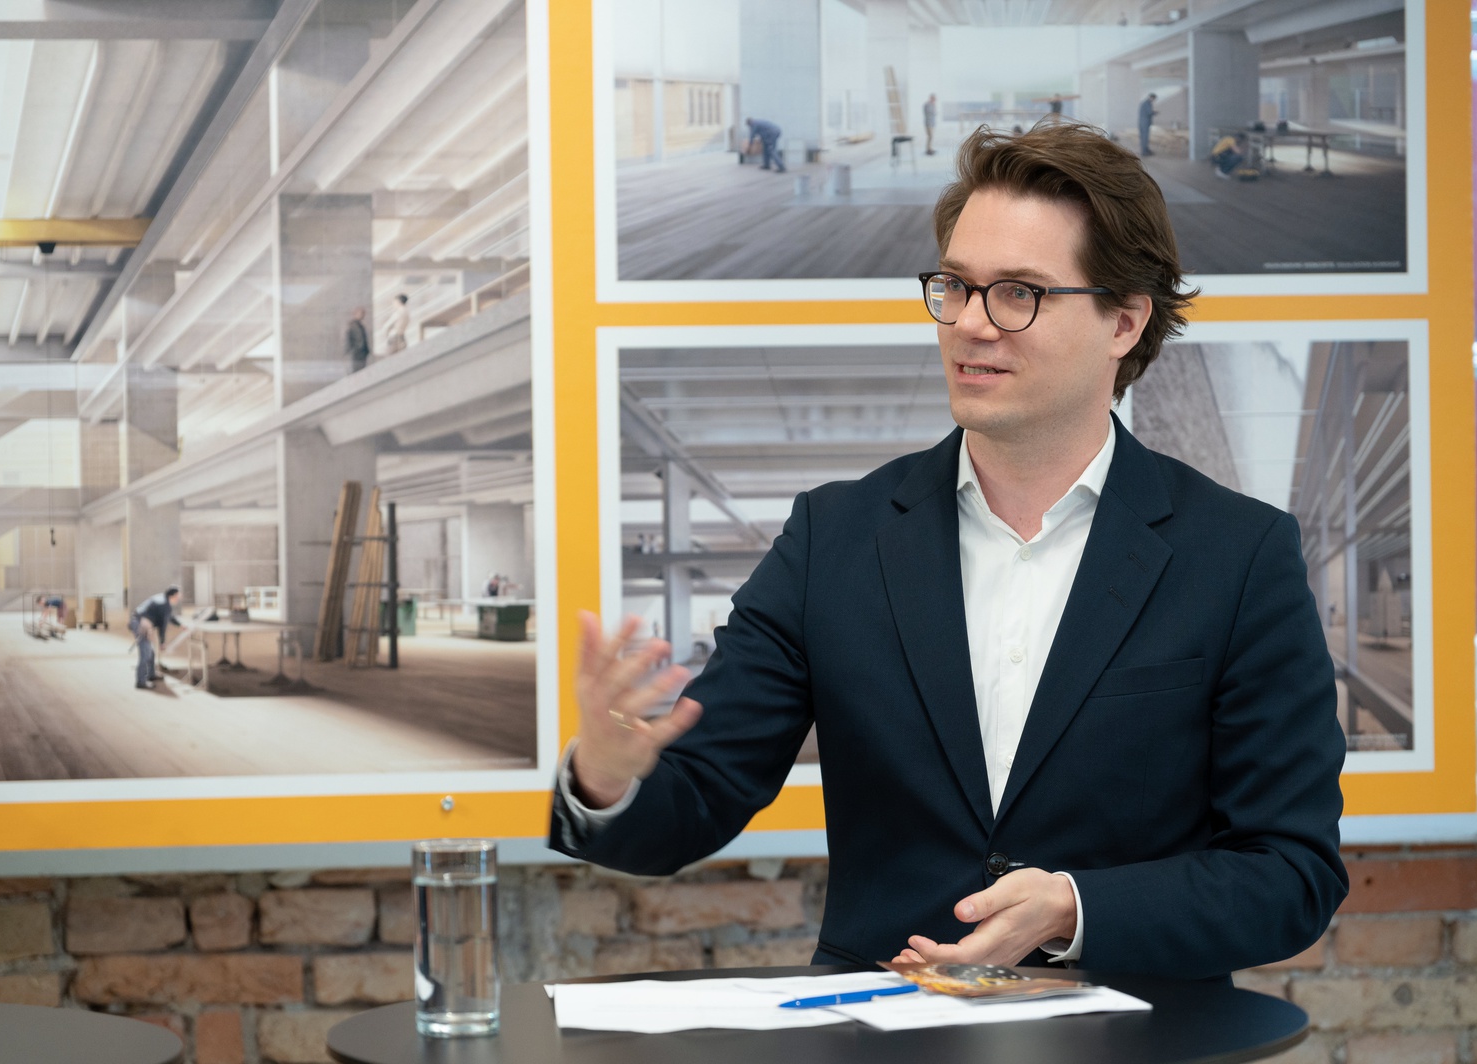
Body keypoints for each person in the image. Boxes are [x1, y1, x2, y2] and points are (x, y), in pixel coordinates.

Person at [550, 119, 1347, 981]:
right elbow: (692, 802)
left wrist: (1077, 909)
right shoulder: (834, 539)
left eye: (1018, 293)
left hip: (1135, 1034)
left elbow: (1290, 874)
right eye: (956, 286)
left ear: (1123, 321)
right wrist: (606, 777)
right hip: (882, 1027)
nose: (970, 323)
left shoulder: (1238, 556)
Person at [129, 586, 182, 690]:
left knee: (151, 652)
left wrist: (179, 625)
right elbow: (163, 626)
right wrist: (162, 642)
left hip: (138, 620)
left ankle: (151, 674)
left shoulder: (162, 599)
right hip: (141, 624)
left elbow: (168, 616)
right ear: (173, 596)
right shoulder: (164, 605)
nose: (179, 598)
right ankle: (141, 682)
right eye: (178, 596)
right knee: (146, 653)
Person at [345, 307, 370, 372]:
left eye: (363, 314)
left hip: (362, 353)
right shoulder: (351, 326)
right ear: (355, 314)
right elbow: (348, 339)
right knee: (356, 371)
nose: (363, 315)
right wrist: (351, 350)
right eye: (361, 313)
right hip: (356, 353)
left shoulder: (361, 326)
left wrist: (366, 351)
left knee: (362, 371)